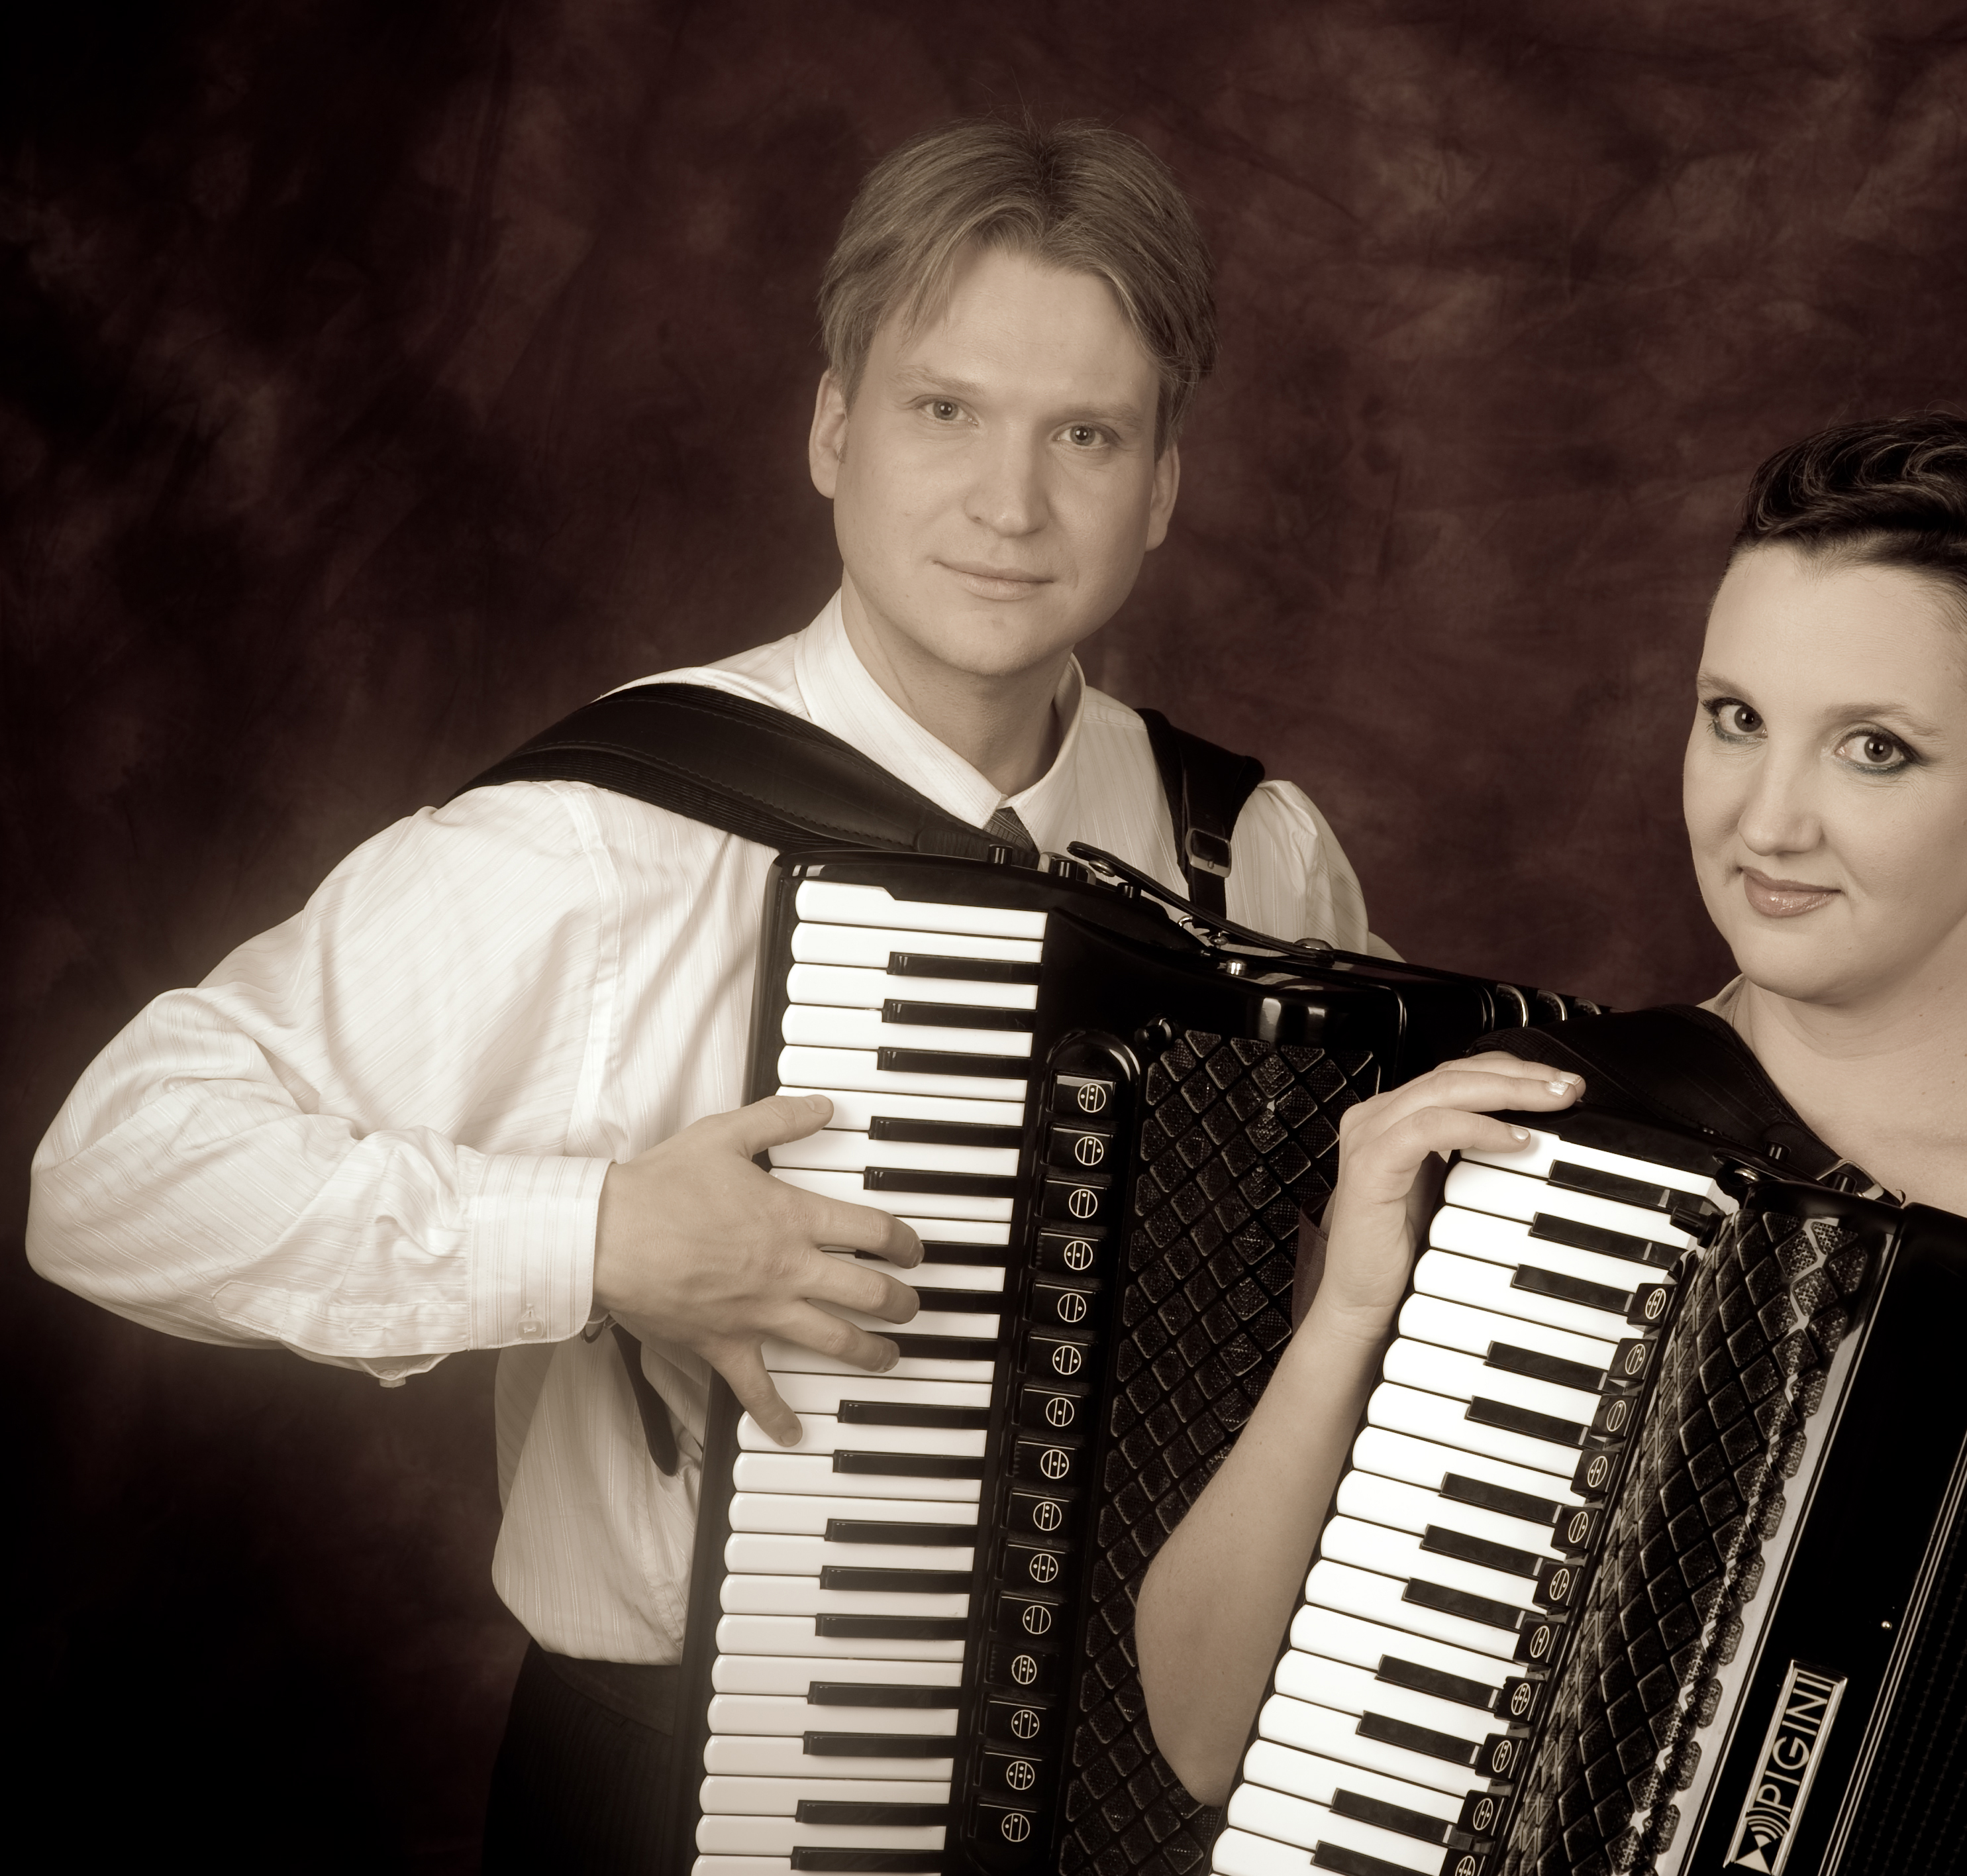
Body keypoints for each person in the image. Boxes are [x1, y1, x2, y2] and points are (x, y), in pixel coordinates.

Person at [25, 119, 1387, 1872]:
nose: (1011, 503)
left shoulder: (1255, 858)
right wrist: (596, 1242)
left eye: (1086, 434)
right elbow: (115, 1173)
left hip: (1134, 1808)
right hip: (666, 1799)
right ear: (832, 431)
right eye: (944, 410)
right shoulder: (606, 843)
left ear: (1164, 486)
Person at [1131, 411, 1967, 1802]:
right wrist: (1351, 1314)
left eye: (1872, 748)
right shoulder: (1547, 1159)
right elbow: (1208, 1734)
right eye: (1737, 720)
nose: (1767, 821)